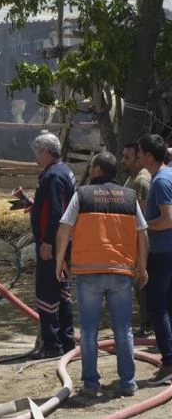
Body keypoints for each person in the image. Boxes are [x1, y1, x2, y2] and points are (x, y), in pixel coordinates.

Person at [55, 152, 148, 398]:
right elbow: (143, 234)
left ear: (96, 169)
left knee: (88, 331)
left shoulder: (82, 194)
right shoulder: (129, 197)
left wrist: (59, 262)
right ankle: (128, 382)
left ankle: (90, 385)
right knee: (123, 329)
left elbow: (64, 229)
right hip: (121, 272)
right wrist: (142, 267)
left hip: (88, 273)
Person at [30, 132, 77, 359]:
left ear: (46, 152)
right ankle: (67, 342)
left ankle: (52, 344)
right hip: (63, 242)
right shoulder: (64, 171)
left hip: (54, 244)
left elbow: (58, 211)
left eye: (37, 152)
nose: (36, 156)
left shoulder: (53, 176)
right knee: (62, 291)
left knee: (48, 292)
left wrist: (48, 240)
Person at [137, 134, 172, 385]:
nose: (138, 157)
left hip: (161, 253)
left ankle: (168, 362)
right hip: (166, 251)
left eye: (140, 152)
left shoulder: (160, 181)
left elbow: (167, 218)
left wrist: (141, 227)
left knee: (157, 308)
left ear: (148, 155)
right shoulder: (168, 175)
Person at [122, 142, 153, 336]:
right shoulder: (131, 179)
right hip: (132, 241)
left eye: (127, 157)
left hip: (141, 243)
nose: (122, 161)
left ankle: (149, 323)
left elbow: (143, 218)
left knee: (144, 282)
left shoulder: (141, 182)